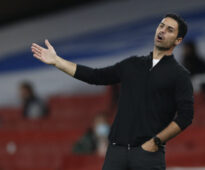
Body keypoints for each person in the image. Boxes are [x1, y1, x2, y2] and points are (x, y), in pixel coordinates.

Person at [31, 13, 194, 170]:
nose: (162, 31)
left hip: (147, 155)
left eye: (170, 30)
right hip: (116, 153)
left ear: (178, 40)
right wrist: (57, 61)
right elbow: (95, 76)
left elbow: (186, 116)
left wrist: (156, 142)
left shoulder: (180, 75)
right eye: (161, 26)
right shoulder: (132, 64)